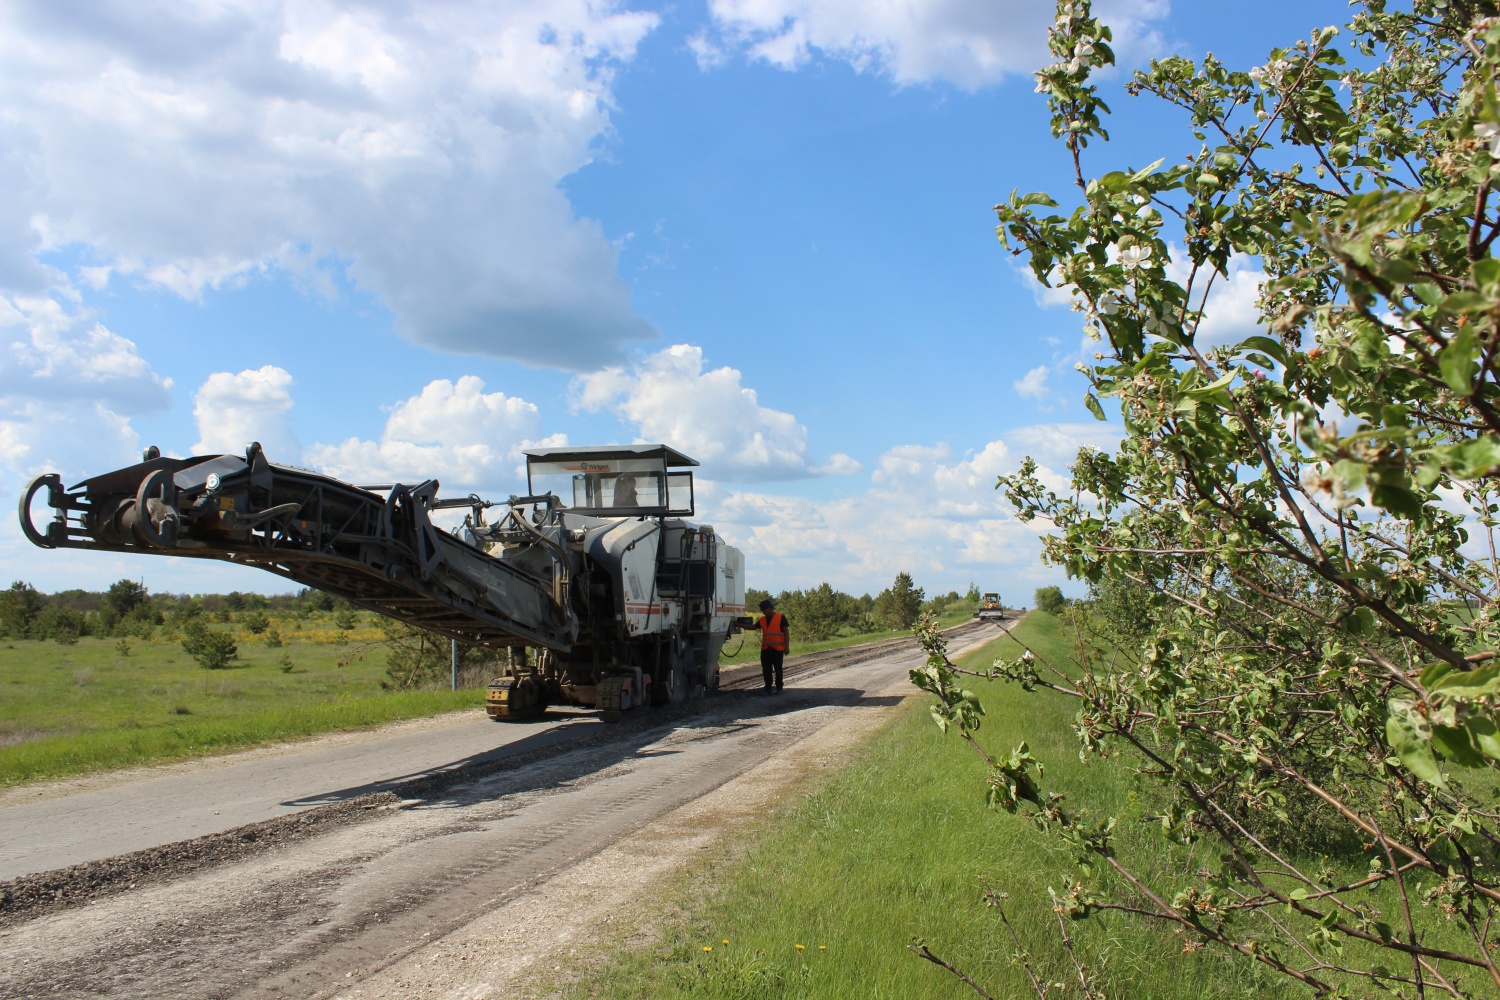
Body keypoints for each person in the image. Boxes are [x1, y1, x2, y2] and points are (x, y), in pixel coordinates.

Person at [750, 598, 788, 693]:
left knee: (778, 669)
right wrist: (739, 625)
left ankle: (779, 687)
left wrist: (786, 647)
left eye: (764, 609)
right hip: (766, 649)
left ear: (770, 608)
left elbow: (786, 632)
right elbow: (753, 627)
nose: (763, 612)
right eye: (762, 610)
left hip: (777, 649)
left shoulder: (780, 617)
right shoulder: (762, 620)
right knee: (766, 669)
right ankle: (768, 687)